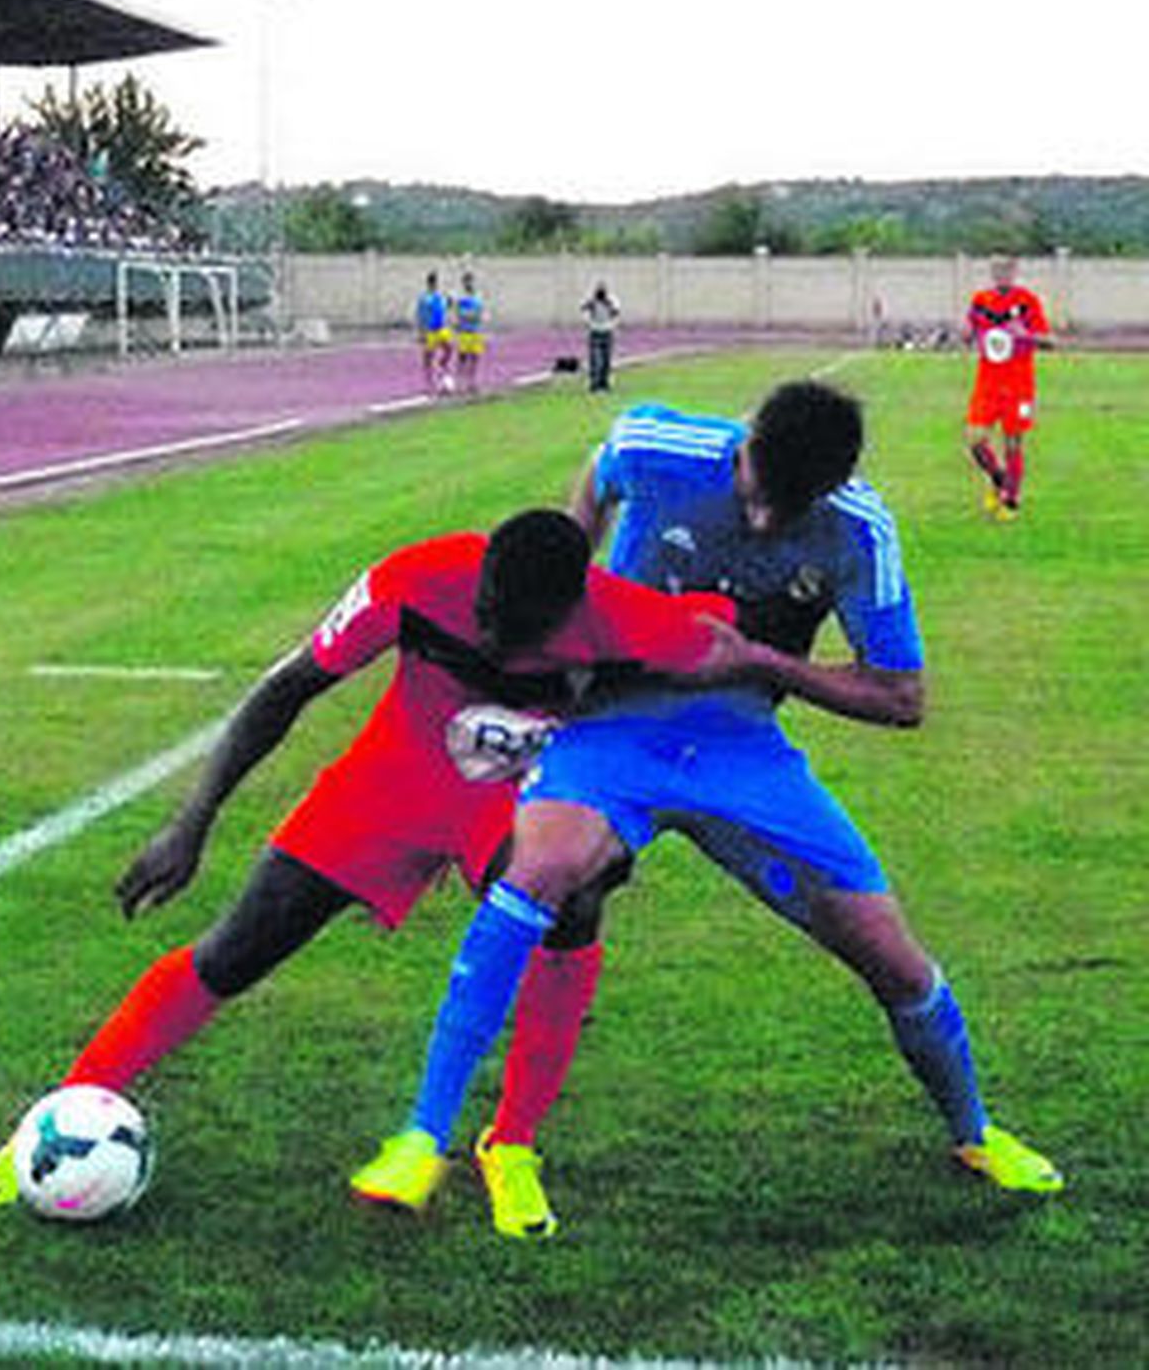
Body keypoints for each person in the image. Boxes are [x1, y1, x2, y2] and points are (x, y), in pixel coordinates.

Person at [353, 381, 1063, 1239]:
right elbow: (596, 473)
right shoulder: (656, 446)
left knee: (897, 960)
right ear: (746, 442)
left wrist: (760, 661)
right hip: (612, 731)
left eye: (789, 509)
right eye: (757, 492)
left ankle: (974, 1131)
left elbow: (901, 696)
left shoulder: (858, 529)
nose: (765, 522)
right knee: (539, 870)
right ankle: (425, 1138)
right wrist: (568, 587)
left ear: (831, 487)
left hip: (741, 751)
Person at [0, 509, 742, 1210]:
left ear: (573, 609)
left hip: (515, 801)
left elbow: (738, 661)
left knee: (571, 901)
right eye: (487, 617)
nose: (494, 639)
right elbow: (286, 689)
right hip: (390, 783)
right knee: (236, 948)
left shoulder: (628, 620)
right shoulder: (415, 579)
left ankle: (511, 1142)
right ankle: (61, 1116)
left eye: (519, 632)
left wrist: (631, 813)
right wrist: (191, 822)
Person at [964, 255, 1053, 520]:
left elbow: (1049, 340)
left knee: (1013, 443)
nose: (1002, 275)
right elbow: (970, 329)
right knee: (975, 440)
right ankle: (1000, 480)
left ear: (1014, 273)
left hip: (1018, 385)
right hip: (987, 383)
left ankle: (1010, 502)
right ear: (992, 273)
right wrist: (967, 334)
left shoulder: (1027, 301)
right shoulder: (981, 301)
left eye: (1007, 270)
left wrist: (1025, 335)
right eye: (997, 270)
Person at [415, 271, 453, 395]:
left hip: (441, 329)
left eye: (436, 282)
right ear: (429, 283)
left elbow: (445, 308)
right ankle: (429, 384)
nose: (435, 285)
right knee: (428, 358)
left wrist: (450, 302)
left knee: (449, 348)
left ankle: (442, 367)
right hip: (430, 331)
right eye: (433, 282)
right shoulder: (424, 298)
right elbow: (420, 316)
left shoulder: (439, 296)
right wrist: (421, 333)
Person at [581, 283, 621, 392]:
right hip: (595, 332)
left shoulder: (611, 301)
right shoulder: (591, 302)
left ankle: (604, 383)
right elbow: (584, 310)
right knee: (595, 359)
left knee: (606, 359)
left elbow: (616, 313)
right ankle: (594, 383)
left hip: (607, 332)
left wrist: (612, 325)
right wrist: (589, 323)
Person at [451, 271, 487, 394]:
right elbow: (457, 313)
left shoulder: (477, 297)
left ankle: (472, 382)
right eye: (467, 281)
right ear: (463, 283)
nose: (469, 283)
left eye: (470, 281)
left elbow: (478, 314)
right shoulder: (461, 298)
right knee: (462, 358)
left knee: (475, 358)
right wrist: (464, 315)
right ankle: (460, 383)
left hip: (475, 332)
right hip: (464, 332)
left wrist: (466, 315)